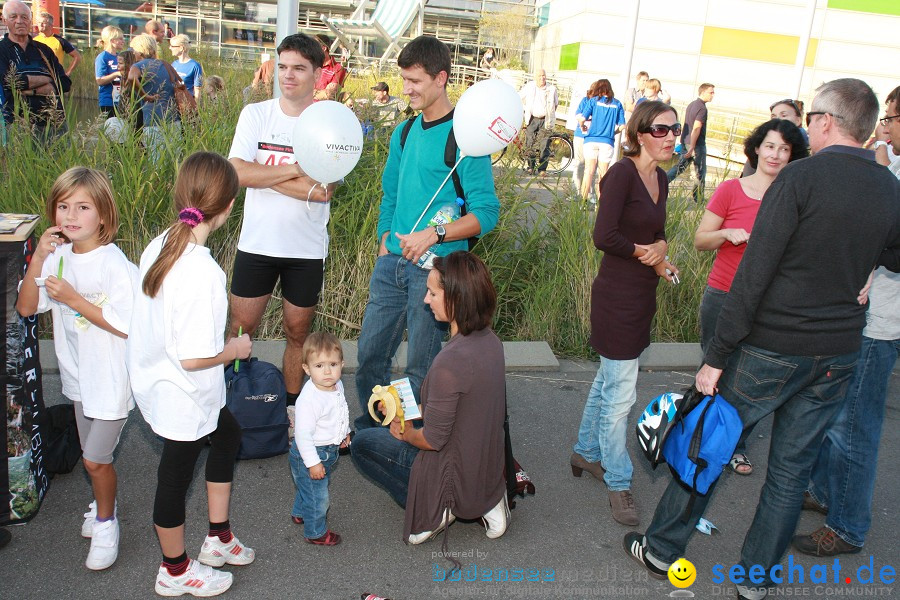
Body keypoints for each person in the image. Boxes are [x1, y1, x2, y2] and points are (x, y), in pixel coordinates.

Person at [625, 79, 900, 600]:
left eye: (809, 119)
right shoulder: (888, 186)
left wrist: (717, 356)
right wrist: (861, 267)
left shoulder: (801, 179)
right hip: (840, 351)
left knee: (709, 444)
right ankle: (755, 581)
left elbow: (754, 273)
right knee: (791, 472)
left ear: (824, 121)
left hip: (772, 347)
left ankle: (661, 549)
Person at [354, 35, 500, 431]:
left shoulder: (466, 138)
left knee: (422, 367)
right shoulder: (404, 132)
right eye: (403, 80)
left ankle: (413, 450)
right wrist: (385, 241)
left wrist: (433, 233)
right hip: (393, 264)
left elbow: (486, 214)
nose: (406, 89)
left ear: (441, 78)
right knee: (369, 355)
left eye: (415, 81)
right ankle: (373, 432)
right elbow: (391, 193)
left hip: (435, 271)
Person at [128, 152, 255, 598]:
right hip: (181, 391)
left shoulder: (162, 241)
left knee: (227, 435)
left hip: (166, 383)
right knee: (173, 478)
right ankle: (175, 570)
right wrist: (236, 348)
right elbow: (196, 357)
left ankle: (217, 536)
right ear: (228, 208)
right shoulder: (203, 272)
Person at [793, 84, 900, 559]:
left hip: (880, 323)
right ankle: (820, 489)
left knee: (853, 425)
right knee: (834, 414)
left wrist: (874, 266)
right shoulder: (888, 166)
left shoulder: (887, 173)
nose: (885, 129)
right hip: (863, 317)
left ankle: (849, 526)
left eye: (892, 119)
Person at [16, 167, 138, 571]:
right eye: (63, 206)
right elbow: (26, 307)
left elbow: (124, 324)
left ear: (102, 214)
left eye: (82, 207)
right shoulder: (59, 258)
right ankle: (104, 501)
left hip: (112, 379)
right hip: (78, 378)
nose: (70, 215)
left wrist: (72, 297)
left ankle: (107, 522)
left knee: (95, 459)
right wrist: (38, 259)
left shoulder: (113, 263)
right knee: (91, 456)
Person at [570, 100, 680, 527]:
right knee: (620, 396)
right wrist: (644, 253)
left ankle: (585, 452)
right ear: (638, 133)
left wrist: (662, 253)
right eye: (660, 130)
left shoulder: (663, 180)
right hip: (616, 298)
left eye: (674, 130)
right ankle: (619, 481)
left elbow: (659, 233)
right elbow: (605, 236)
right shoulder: (621, 174)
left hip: (643, 294)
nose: (670, 136)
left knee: (608, 380)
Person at [352, 251, 509, 546]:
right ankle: (487, 499)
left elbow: (433, 440)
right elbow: (452, 407)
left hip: (451, 468)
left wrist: (406, 432)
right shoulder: (491, 342)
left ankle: (438, 505)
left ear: (457, 299)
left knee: (363, 444)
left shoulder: (448, 363)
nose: (425, 300)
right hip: (484, 463)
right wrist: (402, 409)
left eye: (433, 293)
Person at [227, 33, 332, 430]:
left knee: (296, 332)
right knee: (241, 330)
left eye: (299, 69)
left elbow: (322, 192)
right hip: (257, 245)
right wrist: (294, 168)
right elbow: (236, 172)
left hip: (305, 252)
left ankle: (290, 410)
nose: (288, 76)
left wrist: (262, 174)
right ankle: (230, 398)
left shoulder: (328, 122)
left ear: (317, 74)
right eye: (283, 67)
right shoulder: (256, 115)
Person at [694, 119, 808, 476]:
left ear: (793, 156)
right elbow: (701, 240)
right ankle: (698, 440)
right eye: (770, 146)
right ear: (757, 148)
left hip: (767, 304)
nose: (775, 154)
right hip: (723, 295)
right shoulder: (731, 190)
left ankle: (735, 446)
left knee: (751, 379)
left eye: (785, 149)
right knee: (713, 371)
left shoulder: (793, 197)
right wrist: (727, 232)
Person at [288, 332, 351, 546]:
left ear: (342, 364)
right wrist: (313, 463)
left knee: (308, 487)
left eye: (333, 364)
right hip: (311, 453)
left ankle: (300, 512)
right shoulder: (310, 400)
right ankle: (315, 532)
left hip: (327, 449)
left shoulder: (337, 385)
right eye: (319, 366)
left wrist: (345, 433)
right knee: (318, 496)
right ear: (306, 368)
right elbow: (303, 435)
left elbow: (341, 411)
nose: (327, 371)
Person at [0, 0, 71, 136]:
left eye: (24, 17)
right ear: (4, 21)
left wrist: (30, 89)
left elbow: (65, 84)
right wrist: (47, 79)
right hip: (18, 124)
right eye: (13, 17)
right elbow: (9, 82)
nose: (20, 21)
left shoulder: (44, 50)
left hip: (54, 123)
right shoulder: (1, 50)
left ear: (30, 20)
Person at [127, 34, 179, 159]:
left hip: (152, 120)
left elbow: (131, 78)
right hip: (173, 119)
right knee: (174, 160)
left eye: (133, 50)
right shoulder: (165, 64)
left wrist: (145, 96)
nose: (132, 53)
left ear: (139, 51)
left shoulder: (138, 66)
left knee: (156, 162)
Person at [578, 79, 625, 201]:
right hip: (607, 141)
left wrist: (582, 126)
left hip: (591, 139)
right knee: (603, 173)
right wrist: (613, 132)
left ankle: (582, 202)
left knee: (589, 171)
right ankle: (601, 204)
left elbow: (582, 118)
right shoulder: (617, 104)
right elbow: (622, 126)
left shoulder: (594, 101)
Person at [667, 83, 715, 202]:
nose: (713, 95)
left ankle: (660, 182)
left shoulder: (692, 104)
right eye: (711, 92)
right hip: (696, 145)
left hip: (686, 141)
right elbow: (696, 127)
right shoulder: (702, 108)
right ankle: (698, 198)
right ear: (703, 92)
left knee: (680, 167)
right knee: (700, 171)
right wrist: (692, 146)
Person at [742, 99, 809, 176]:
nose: (778, 120)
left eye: (783, 115)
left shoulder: (807, 154)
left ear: (798, 120)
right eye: (774, 117)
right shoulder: (759, 153)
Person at [519, 68, 559, 174]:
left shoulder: (552, 89)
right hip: (532, 118)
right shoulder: (530, 86)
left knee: (544, 144)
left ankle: (542, 169)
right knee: (530, 143)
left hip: (545, 119)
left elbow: (555, 104)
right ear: (535, 77)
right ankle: (531, 167)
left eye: (543, 75)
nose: (542, 78)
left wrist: (550, 115)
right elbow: (519, 97)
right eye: (540, 76)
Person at [570, 80, 601, 195]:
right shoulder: (585, 100)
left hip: (593, 137)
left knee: (592, 166)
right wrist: (583, 123)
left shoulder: (601, 104)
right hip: (581, 135)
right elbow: (578, 115)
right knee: (580, 163)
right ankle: (578, 192)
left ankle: (589, 192)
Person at [33, 12, 81, 77]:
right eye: (39, 22)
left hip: (55, 77)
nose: (40, 25)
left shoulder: (60, 40)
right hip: (37, 76)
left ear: (51, 25)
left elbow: (77, 56)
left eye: (43, 23)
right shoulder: (33, 40)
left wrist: (68, 72)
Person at [94, 26, 124, 118]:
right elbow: (99, 80)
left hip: (120, 101)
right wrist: (116, 74)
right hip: (108, 101)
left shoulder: (120, 56)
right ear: (112, 40)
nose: (123, 41)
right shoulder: (102, 57)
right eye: (120, 39)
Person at [313, 34, 347, 101]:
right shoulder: (309, 65)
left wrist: (305, 93)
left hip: (323, 109)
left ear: (324, 48)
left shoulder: (338, 69)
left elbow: (328, 94)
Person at [169, 34, 203, 99]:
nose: (170, 48)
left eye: (172, 46)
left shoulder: (195, 66)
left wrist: (196, 107)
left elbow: (197, 90)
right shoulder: (174, 64)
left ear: (181, 48)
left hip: (187, 102)